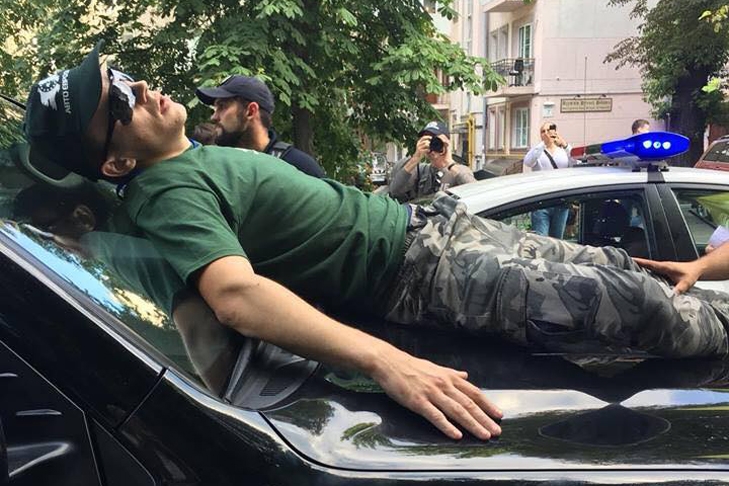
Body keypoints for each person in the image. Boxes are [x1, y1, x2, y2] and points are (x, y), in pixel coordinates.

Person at [24, 43, 729, 441]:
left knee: (620, 269)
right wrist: (387, 362)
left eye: (125, 78)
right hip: (420, 273)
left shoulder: (192, 161)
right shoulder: (165, 193)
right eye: (119, 101)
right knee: (636, 307)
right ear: (115, 162)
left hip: (435, 231)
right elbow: (233, 297)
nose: (141, 87)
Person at [196, 75, 325, 178]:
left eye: (222, 107)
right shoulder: (219, 168)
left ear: (251, 111)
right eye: (215, 109)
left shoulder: (299, 167)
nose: (213, 117)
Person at [389, 121, 476, 203]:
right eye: (427, 141)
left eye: (436, 141)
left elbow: (477, 193)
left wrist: (449, 162)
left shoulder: (459, 170)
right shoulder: (421, 171)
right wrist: (416, 158)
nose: (432, 145)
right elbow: (394, 192)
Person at [523, 122, 573, 238]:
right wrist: (543, 143)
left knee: (557, 240)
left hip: (560, 201)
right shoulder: (537, 151)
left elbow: (576, 162)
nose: (546, 133)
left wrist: (565, 145)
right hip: (542, 201)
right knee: (542, 240)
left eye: (548, 130)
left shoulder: (563, 152)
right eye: (543, 131)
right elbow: (528, 162)